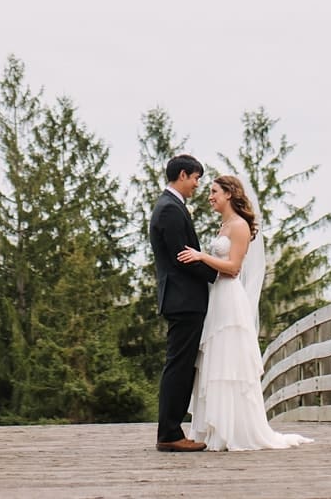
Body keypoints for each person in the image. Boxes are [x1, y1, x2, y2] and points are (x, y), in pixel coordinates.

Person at [176, 173, 313, 452]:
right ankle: (216, 428)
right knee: (216, 360)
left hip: (229, 298)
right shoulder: (223, 224)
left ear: (229, 193)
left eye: (214, 191)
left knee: (229, 362)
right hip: (217, 298)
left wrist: (201, 256)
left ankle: (234, 428)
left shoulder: (238, 225)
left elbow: (234, 267)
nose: (210, 196)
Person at [149, 154, 215, 452]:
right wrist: (218, 273)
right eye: (196, 178)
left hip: (182, 298)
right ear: (183, 175)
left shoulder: (170, 207)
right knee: (179, 366)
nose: (197, 185)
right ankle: (170, 433)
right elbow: (183, 256)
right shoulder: (170, 210)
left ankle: (172, 430)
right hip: (183, 298)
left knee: (182, 365)